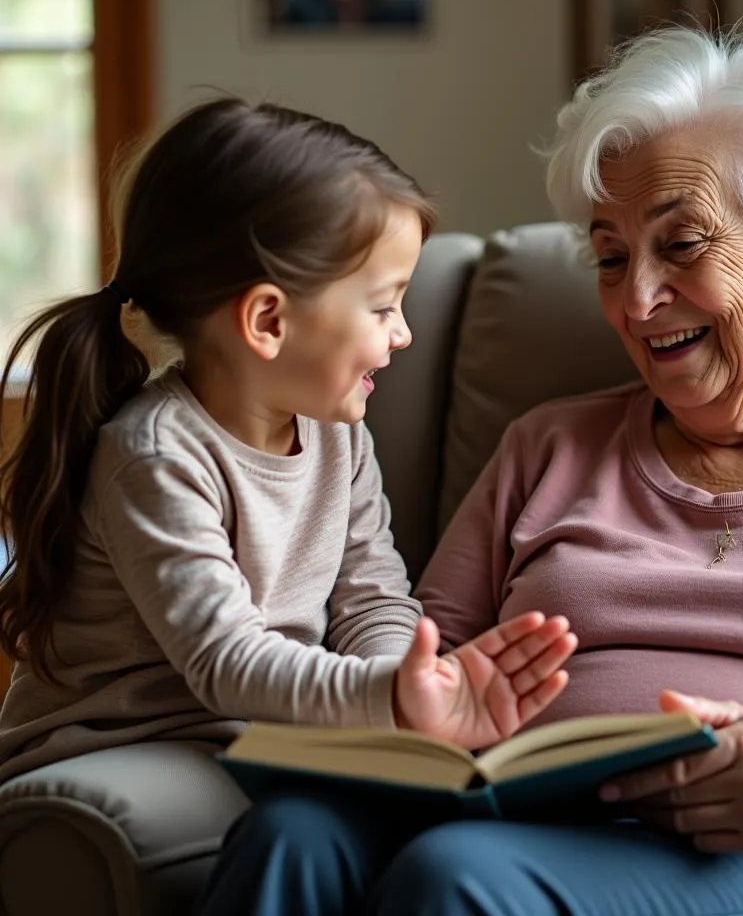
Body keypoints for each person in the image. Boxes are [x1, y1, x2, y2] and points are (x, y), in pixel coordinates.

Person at [202, 27, 743, 916]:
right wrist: (424, 711)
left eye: (681, 246)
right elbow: (424, 665)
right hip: (513, 819)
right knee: (291, 833)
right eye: (609, 255)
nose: (636, 300)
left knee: (457, 877)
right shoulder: (547, 446)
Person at [0, 98, 577, 788]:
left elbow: (373, 599)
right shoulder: (155, 457)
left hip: (252, 732)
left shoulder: (339, 437)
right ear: (268, 320)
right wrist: (390, 701)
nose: (403, 334)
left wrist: (408, 685)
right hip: (123, 743)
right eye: (384, 306)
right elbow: (228, 660)